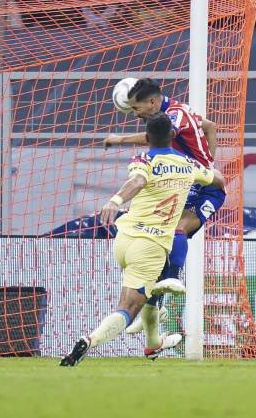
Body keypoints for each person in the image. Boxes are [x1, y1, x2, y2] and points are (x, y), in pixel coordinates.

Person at [61, 112, 226, 366]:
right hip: (151, 245)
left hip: (124, 238)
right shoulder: (189, 165)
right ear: (174, 135)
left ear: (147, 137)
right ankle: (89, 340)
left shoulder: (143, 158)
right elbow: (218, 179)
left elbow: (138, 181)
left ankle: (153, 344)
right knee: (128, 308)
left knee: (147, 294)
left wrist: (115, 200)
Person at [103, 78, 223, 333]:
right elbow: (211, 127)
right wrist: (207, 161)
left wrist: (119, 140)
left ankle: (172, 279)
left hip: (205, 188)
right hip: (191, 179)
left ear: (153, 102)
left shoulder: (174, 115)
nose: (135, 114)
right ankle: (156, 305)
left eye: (137, 109)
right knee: (161, 240)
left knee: (175, 228)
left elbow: (154, 136)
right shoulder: (179, 109)